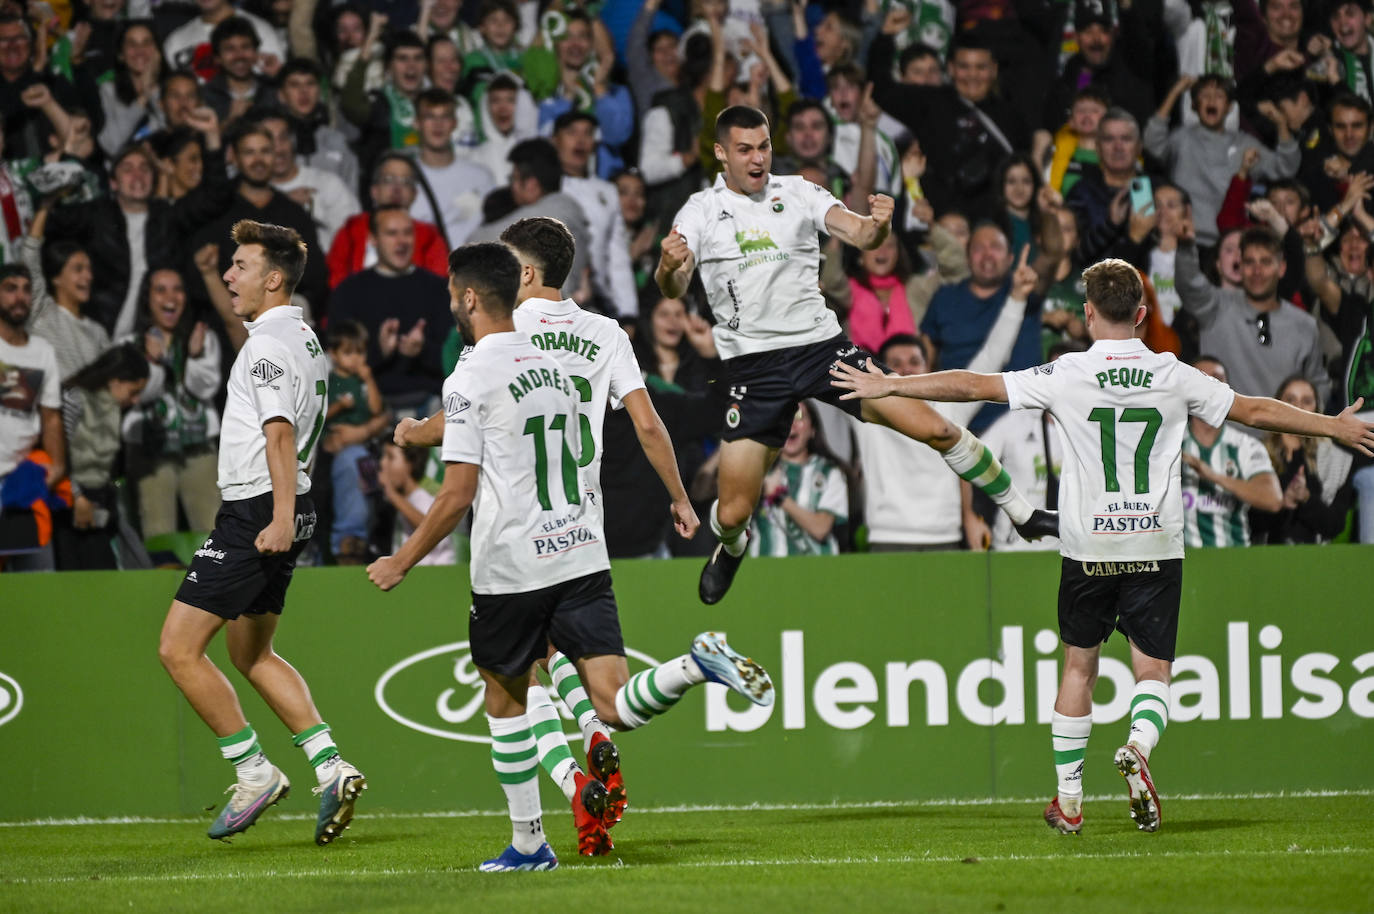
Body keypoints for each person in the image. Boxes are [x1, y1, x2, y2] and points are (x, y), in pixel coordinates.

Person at [830, 257, 1374, 835]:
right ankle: (1137, 746)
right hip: (1156, 541)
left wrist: (890, 382)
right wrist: (1333, 426)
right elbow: (1257, 411)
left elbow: (972, 385)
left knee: (1079, 668)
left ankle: (1069, 802)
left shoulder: (1067, 372)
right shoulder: (1173, 372)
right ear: (1142, 315)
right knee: (1153, 670)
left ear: (1088, 314)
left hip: (1088, 542)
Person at [373, 237, 773, 869]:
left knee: (508, 691)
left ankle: (533, 836)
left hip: (512, 557)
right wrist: (679, 495)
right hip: (582, 543)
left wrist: (405, 529)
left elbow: (463, 456)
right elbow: (645, 422)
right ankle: (691, 667)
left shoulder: (485, 356)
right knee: (612, 701)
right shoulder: (580, 347)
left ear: (504, 283)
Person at [656, 105, 1056, 605]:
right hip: (753, 369)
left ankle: (1022, 512)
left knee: (935, 427)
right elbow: (670, 286)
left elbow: (862, 234)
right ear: (720, 153)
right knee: (734, 512)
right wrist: (670, 266)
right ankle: (733, 548)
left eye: (763, 147)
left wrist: (880, 225)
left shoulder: (798, 191)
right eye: (744, 149)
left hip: (821, 350)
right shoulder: (698, 210)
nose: (757, 158)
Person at [156, 220, 365, 846]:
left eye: (241, 265)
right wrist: (289, 512)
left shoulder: (267, 347)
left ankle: (253, 771)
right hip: (291, 505)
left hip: (259, 512)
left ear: (273, 279)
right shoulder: (304, 338)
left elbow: (278, 434)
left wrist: (274, 516)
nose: (228, 275)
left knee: (177, 648)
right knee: (251, 654)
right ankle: (331, 766)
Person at [122, 263, 223, 542]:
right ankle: (159, 587)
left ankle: (208, 586)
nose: (171, 296)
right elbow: (140, 395)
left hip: (199, 447)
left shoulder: (202, 338)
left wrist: (196, 355)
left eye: (178, 289)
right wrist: (152, 361)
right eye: (161, 289)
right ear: (147, 298)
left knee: (211, 536)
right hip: (150, 450)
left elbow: (204, 388)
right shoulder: (131, 344)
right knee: (158, 536)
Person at [56, 343, 148, 570]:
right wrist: (76, 496)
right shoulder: (74, 399)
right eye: (134, 391)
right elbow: (58, 452)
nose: (136, 400)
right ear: (115, 381)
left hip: (98, 503)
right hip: (67, 502)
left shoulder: (115, 408)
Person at [0, 263, 67, 571]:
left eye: (26, 290)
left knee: (39, 581)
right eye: (10, 289)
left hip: (24, 482)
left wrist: (55, 469)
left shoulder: (42, 351)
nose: (20, 297)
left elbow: (51, 416)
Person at [1181, 356, 1283, 546]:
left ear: (1229, 390)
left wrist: (1212, 476)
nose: (1210, 386)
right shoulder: (1170, 442)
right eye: (1202, 379)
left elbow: (1273, 499)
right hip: (1186, 563)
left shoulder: (1245, 446)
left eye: (1218, 380)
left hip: (1234, 559)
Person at [322, 318, 390, 562]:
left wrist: (370, 379)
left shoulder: (363, 381)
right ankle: (347, 541)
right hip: (336, 452)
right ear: (333, 354)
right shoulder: (329, 381)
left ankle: (363, 538)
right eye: (348, 353)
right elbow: (319, 414)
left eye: (360, 352)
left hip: (366, 448)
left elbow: (377, 409)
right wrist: (339, 406)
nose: (356, 359)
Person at [750, 400, 849, 555]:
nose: (792, 424)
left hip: (814, 570)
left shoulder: (829, 472)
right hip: (766, 570)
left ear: (813, 430)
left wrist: (779, 497)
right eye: (785, 417)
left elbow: (821, 529)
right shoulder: (757, 470)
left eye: (799, 416)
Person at [377, 441, 455, 565]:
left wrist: (392, 494)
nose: (382, 463)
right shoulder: (405, 500)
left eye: (390, 457)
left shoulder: (422, 497)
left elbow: (431, 528)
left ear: (410, 463)